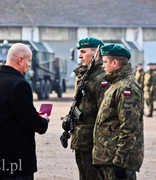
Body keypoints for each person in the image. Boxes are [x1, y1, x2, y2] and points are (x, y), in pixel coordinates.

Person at [0, 43, 50, 179]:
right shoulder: (19, 84)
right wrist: (43, 121)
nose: (29, 65)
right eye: (28, 60)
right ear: (20, 60)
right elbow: (31, 122)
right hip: (15, 161)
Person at [93, 44, 144, 180]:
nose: (102, 66)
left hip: (116, 160)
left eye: (105, 62)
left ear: (115, 63)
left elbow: (129, 127)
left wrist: (120, 162)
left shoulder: (127, 87)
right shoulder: (116, 84)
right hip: (108, 157)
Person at [64, 37, 108, 180]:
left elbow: (105, 115)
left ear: (97, 53)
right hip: (82, 139)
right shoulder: (86, 74)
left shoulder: (101, 78)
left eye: (83, 52)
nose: (79, 56)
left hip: (92, 142)